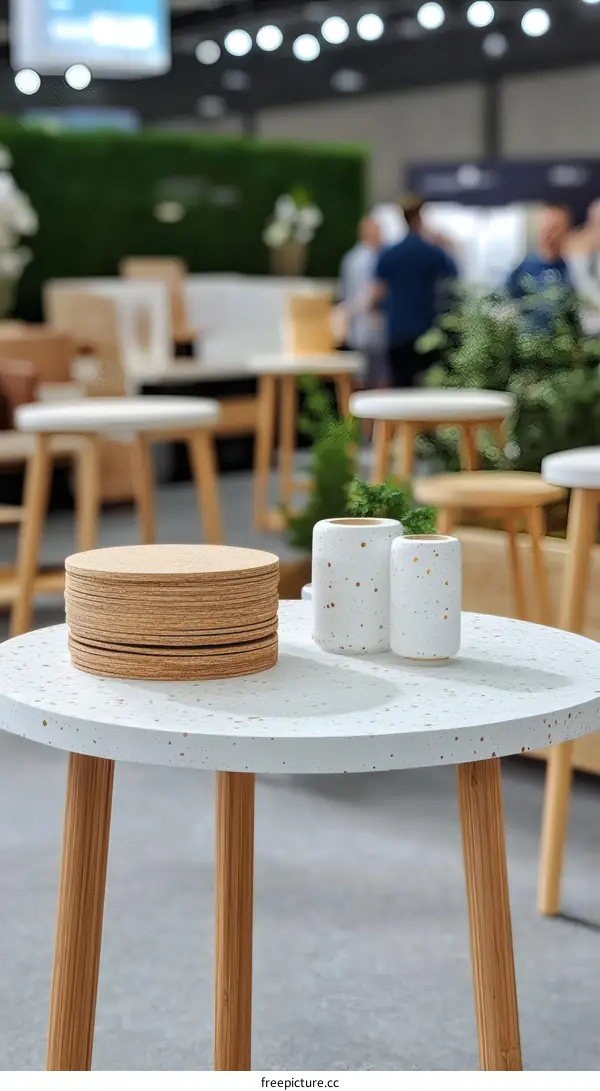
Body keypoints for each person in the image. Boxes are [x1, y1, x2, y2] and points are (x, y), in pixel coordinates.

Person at [372, 196, 458, 388]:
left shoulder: (389, 254)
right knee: (426, 391)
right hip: (425, 332)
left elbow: (376, 293)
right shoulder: (431, 252)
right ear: (420, 217)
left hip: (397, 332)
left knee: (399, 389)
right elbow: (454, 277)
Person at [506, 205, 576, 329]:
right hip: (531, 340)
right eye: (546, 229)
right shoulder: (526, 266)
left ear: (566, 232)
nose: (550, 235)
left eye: (555, 230)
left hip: (567, 341)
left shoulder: (574, 267)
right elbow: (507, 300)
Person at [338, 215, 387, 387]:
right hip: (372, 324)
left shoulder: (350, 258)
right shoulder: (374, 257)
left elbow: (343, 294)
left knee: (361, 375)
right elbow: (376, 290)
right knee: (377, 375)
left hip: (359, 326)